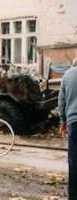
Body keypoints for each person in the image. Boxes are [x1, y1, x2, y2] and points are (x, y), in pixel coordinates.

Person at [58, 66, 77, 200]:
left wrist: (63, 121)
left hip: (73, 122)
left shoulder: (68, 75)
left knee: (74, 162)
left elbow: (62, 100)